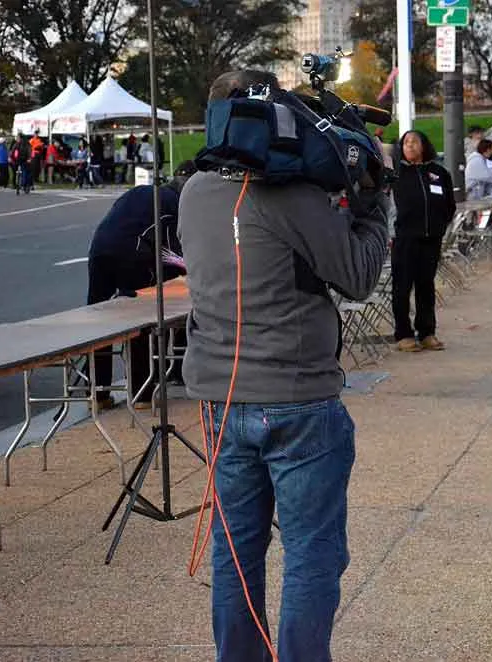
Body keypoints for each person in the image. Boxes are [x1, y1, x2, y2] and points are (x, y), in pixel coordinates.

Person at [178, 70, 388, 662]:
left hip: (221, 400)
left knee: (235, 554)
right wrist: (375, 205)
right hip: (298, 402)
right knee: (312, 553)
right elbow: (358, 274)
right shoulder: (291, 195)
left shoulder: (194, 192)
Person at [86, 160, 198, 410]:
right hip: (133, 255)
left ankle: (97, 394)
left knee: (99, 322)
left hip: (99, 250)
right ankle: (142, 393)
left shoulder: (141, 192)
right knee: (142, 320)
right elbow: (173, 254)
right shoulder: (174, 205)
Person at [391, 130, 456, 352]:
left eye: (414, 142)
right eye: (406, 142)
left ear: (424, 145)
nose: (410, 145)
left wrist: (439, 225)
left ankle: (427, 332)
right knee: (402, 287)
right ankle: (403, 334)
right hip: (404, 239)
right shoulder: (395, 173)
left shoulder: (438, 173)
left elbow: (449, 204)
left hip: (431, 239)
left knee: (426, 286)